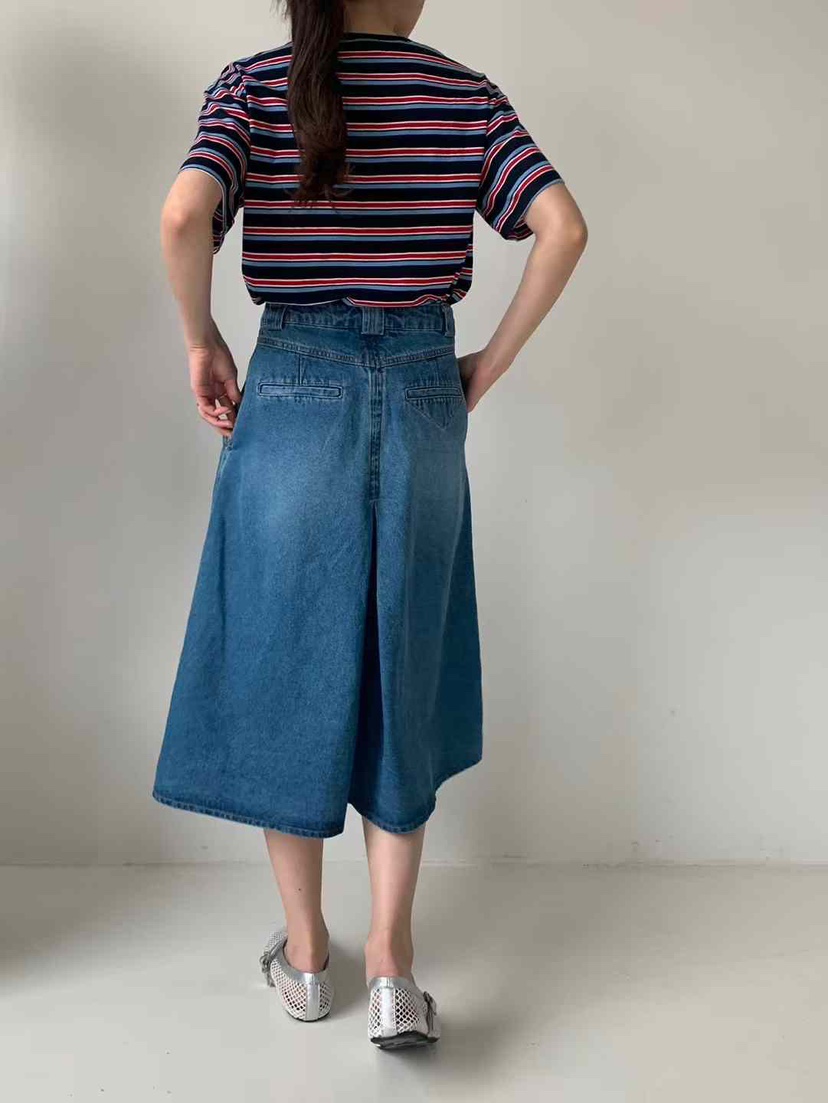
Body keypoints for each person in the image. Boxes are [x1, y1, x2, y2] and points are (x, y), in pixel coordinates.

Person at [153, 0, 587, 1049]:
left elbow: (181, 215)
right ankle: (393, 967)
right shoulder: (462, 96)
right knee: (407, 664)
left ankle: (308, 959)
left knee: (283, 661)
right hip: (427, 387)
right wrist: (487, 364)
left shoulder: (255, 85)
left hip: (294, 384)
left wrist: (202, 338)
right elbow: (563, 228)